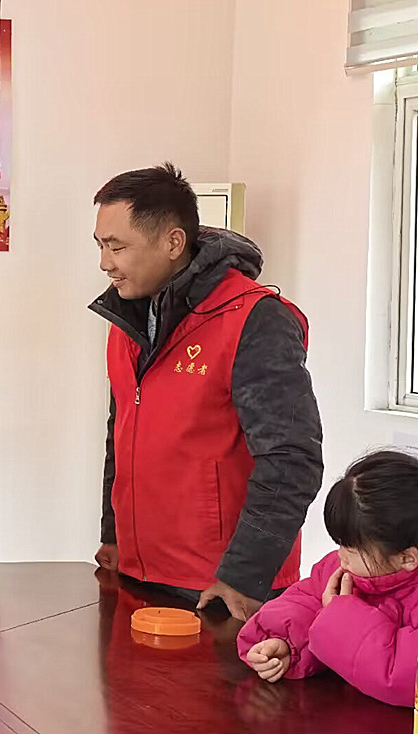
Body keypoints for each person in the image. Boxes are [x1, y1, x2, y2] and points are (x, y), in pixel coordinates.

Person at [90, 162, 323, 620]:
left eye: (117, 246)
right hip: (139, 572)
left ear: (173, 242)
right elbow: (121, 434)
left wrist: (244, 576)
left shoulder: (255, 319)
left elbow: (292, 457)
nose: (105, 263)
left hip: (221, 590)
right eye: (100, 245)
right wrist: (113, 534)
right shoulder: (128, 319)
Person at [237, 451, 418, 707]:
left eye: (352, 549)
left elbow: (405, 676)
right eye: (340, 543)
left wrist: (339, 615)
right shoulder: (341, 569)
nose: (340, 555)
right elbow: (305, 601)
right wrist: (288, 645)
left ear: (407, 558)